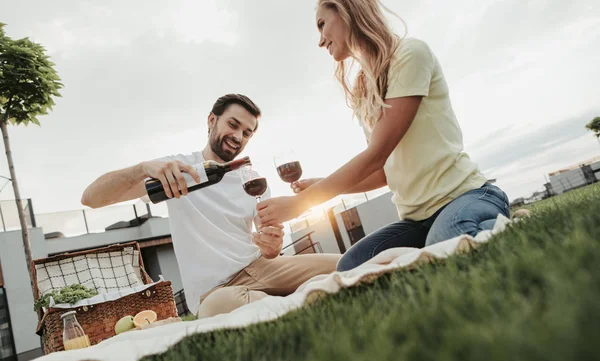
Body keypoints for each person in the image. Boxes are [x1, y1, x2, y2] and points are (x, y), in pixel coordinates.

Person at [256, 0, 511, 272]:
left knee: (449, 247)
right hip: (416, 219)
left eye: (322, 25)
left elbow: (376, 154)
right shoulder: (363, 88)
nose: (320, 41)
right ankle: (458, 235)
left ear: (346, 12)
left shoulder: (410, 54)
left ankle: (492, 220)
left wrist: (300, 204)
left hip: (464, 196)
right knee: (351, 266)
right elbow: (384, 172)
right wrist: (320, 184)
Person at [81, 94, 340, 318]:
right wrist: (142, 168)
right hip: (217, 291)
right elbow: (91, 198)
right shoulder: (176, 170)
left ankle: (288, 299)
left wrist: (272, 245)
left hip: (263, 269)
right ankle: (295, 300)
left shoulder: (253, 179)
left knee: (348, 263)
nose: (238, 137)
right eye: (233, 125)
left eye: (247, 133)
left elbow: (270, 246)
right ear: (211, 120)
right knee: (218, 306)